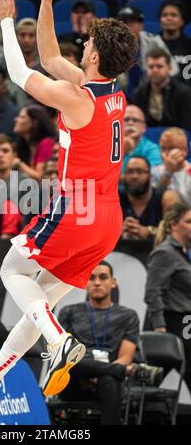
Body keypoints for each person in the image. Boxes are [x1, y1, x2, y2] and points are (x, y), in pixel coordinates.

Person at [0, 0, 138, 414]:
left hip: (77, 208)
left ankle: (61, 342)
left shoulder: (77, 99)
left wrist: (7, 22)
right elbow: (49, 56)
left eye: (87, 42)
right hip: (106, 220)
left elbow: (19, 71)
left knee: (12, 273)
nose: (81, 45)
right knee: (39, 305)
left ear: (96, 54)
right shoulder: (111, 95)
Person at [58, 261, 162, 425]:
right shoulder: (68, 312)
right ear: (85, 282)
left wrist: (100, 372)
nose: (97, 282)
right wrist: (112, 370)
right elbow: (64, 355)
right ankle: (126, 371)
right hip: (74, 380)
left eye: (103, 277)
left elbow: (126, 357)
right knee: (69, 363)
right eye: (91, 278)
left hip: (108, 382)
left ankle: (118, 371)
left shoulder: (128, 316)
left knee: (110, 378)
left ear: (113, 282)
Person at [145, 202, 191, 391]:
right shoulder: (165, 252)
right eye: (189, 221)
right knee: (150, 380)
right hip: (170, 323)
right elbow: (152, 291)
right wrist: (159, 327)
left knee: (153, 380)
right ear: (174, 225)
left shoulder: (184, 253)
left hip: (185, 322)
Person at [131, 48, 191, 131]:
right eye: (151, 67)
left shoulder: (184, 93)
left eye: (159, 66)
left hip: (176, 139)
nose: (155, 70)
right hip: (145, 139)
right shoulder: (138, 94)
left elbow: (187, 127)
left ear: (169, 68)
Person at [120, 156, 179, 240]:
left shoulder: (166, 198)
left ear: (150, 177)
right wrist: (118, 231)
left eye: (140, 172)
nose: (134, 176)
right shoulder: (115, 199)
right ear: (123, 176)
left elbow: (175, 232)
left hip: (157, 251)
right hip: (120, 251)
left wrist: (148, 231)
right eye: (130, 172)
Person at [12, 104, 56, 180]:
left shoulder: (47, 143)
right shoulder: (24, 146)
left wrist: (19, 164)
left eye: (22, 117)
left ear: (35, 123)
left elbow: (41, 176)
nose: (16, 119)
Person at [152, 127, 191, 204]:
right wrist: (168, 171)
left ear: (184, 151)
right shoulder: (155, 170)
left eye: (170, 148)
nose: (165, 154)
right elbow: (153, 200)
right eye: (163, 148)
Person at [159, 0, 191, 86]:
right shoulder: (152, 44)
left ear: (182, 21)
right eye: (164, 15)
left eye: (174, 15)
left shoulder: (189, 46)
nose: (169, 18)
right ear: (160, 20)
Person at [122, 105, 162, 172]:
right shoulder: (108, 146)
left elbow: (152, 177)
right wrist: (122, 151)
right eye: (126, 120)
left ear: (144, 127)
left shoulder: (152, 149)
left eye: (135, 120)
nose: (130, 123)